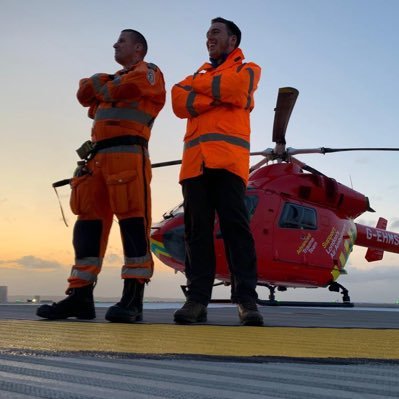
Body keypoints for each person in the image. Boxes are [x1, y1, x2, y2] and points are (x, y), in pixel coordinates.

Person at [37, 29, 166, 322]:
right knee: (87, 227)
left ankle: (133, 299)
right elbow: (84, 94)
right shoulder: (115, 79)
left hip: (128, 156)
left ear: (138, 49)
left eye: (121, 41)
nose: (114, 44)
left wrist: (102, 86)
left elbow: (121, 90)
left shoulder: (150, 73)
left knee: (133, 224)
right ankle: (80, 296)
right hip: (96, 160)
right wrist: (103, 84)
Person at [171, 17, 263, 326]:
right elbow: (177, 100)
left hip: (229, 165)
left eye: (215, 32)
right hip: (195, 165)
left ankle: (247, 301)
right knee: (196, 234)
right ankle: (197, 300)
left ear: (232, 41)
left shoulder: (248, 69)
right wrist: (217, 94)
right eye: (207, 32)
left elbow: (236, 88)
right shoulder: (197, 74)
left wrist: (200, 93)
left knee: (236, 231)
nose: (208, 37)